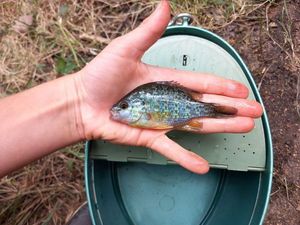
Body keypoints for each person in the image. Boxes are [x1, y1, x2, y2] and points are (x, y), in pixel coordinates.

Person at [0, 0, 262, 179]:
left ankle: (216, 111)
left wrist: (78, 100)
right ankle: (216, 111)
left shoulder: (145, 109)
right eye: (123, 106)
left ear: (136, 107)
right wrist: (79, 101)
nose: (117, 110)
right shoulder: (137, 108)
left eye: (123, 106)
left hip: (186, 109)